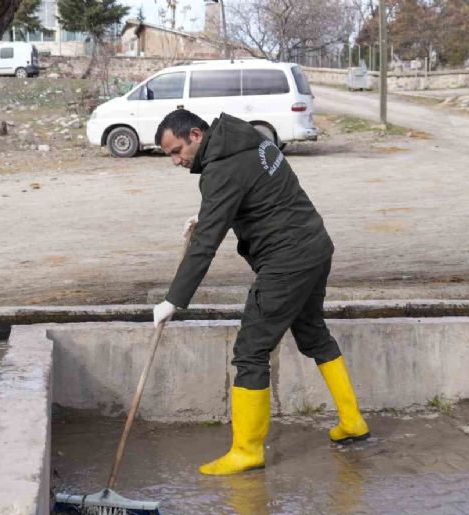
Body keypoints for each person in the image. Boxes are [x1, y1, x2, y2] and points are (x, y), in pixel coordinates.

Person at [153, 110, 369, 476]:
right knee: (313, 333)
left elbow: (206, 246)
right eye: (170, 156)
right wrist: (207, 214)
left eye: (176, 151)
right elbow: (256, 191)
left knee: (250, 350)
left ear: (195, 135)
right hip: (315, 246)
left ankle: (246, 450)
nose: (176, 161)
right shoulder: (249, 139)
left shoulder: (220, 169)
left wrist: (174, 299)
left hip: (286, 261)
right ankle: (352, 422)